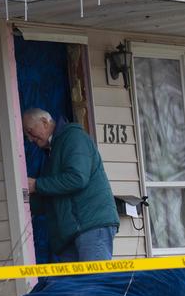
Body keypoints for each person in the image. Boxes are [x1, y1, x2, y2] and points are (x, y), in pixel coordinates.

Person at [23, 108, 119, 263]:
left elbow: (77, 178)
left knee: (93, 283)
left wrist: (37, 184)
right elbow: (51, 196)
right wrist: (24, 201)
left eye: (30, 131)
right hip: (72, 232)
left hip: (91, 225)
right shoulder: (53, 151)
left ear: (44, 122)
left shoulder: (73, 137)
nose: (29, 139)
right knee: (73, 286)